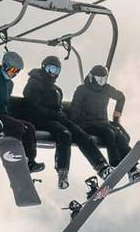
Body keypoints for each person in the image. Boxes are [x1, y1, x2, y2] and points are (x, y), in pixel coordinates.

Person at [9, 54, 107, 190]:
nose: (53, 74)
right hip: (38, 119)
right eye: (50, 69)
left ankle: (101, 166)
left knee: (80, 133)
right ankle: (62, 172)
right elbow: (34, 106)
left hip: (55, 118)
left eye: (56, 71)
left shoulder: (56, 89)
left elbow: (58, 108)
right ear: (43, 68)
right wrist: (55, 114)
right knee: (64, 133)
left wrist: (61, 115)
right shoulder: (34, 83)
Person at [67, 63, 140, 181]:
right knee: (109, 133)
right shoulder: (82, 90)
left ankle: (132, 169)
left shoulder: (106, 89)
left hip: (103, 123)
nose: (101, 83)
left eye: (103, 80)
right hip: (87, 124)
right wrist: (76, 125)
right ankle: (107, 166)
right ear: (91, 77)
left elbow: (121, 97)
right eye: (98, 79)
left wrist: (116, 118)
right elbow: (74, 109)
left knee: (118, 134)